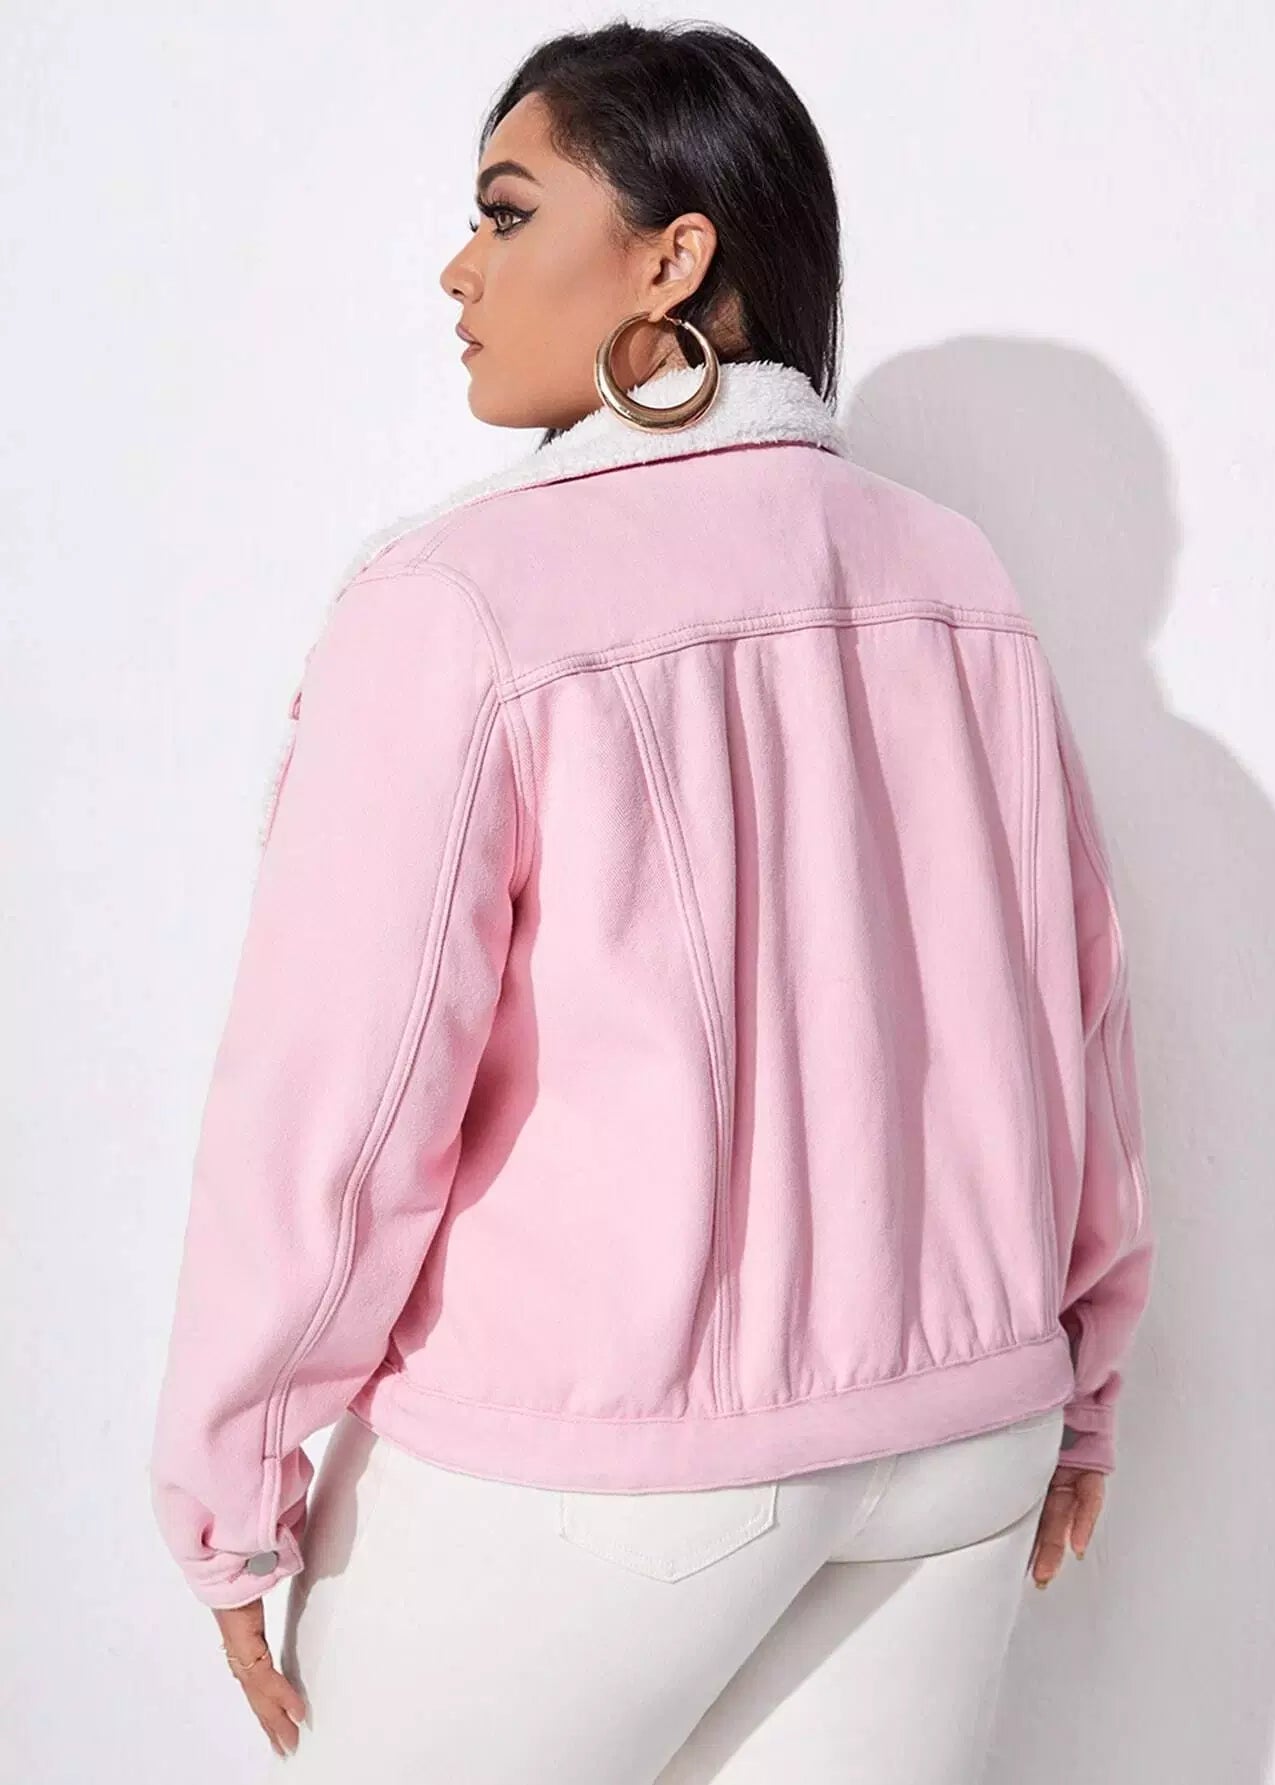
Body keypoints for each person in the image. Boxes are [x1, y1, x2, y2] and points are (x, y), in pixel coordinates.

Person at [147, 20, 1156, 1782]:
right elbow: (1078, 1009)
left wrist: (230, 1474)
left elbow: (340, 1100)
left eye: (508, 211)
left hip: (601, 1472)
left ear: (672, 258)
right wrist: (1085, 1373)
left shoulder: (457, 602)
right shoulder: (955, 576)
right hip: (966, 1435)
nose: (459, 270)